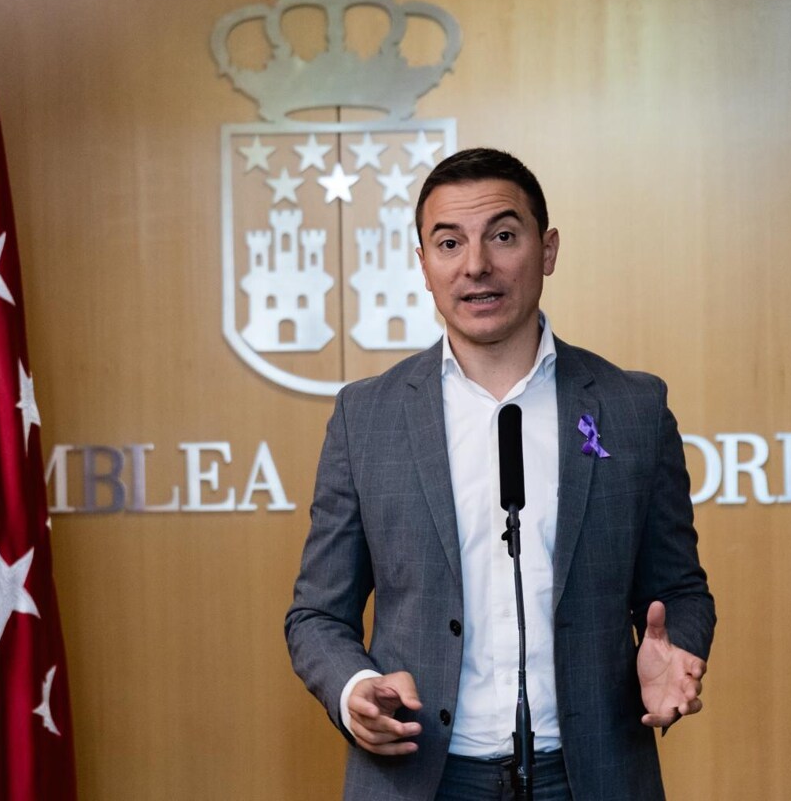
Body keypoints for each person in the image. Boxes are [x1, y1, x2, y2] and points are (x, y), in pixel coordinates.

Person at [285, 148, 715, 800]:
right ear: (424, 263)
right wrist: (352, 692)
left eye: (503, 236)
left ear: (547, 250)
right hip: (423, 773)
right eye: (449, 242)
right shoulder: (365, 416)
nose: (476, 265)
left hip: (589, 774)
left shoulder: (632, 408)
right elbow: (317, 614)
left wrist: (675, 651)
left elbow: (680, 589)